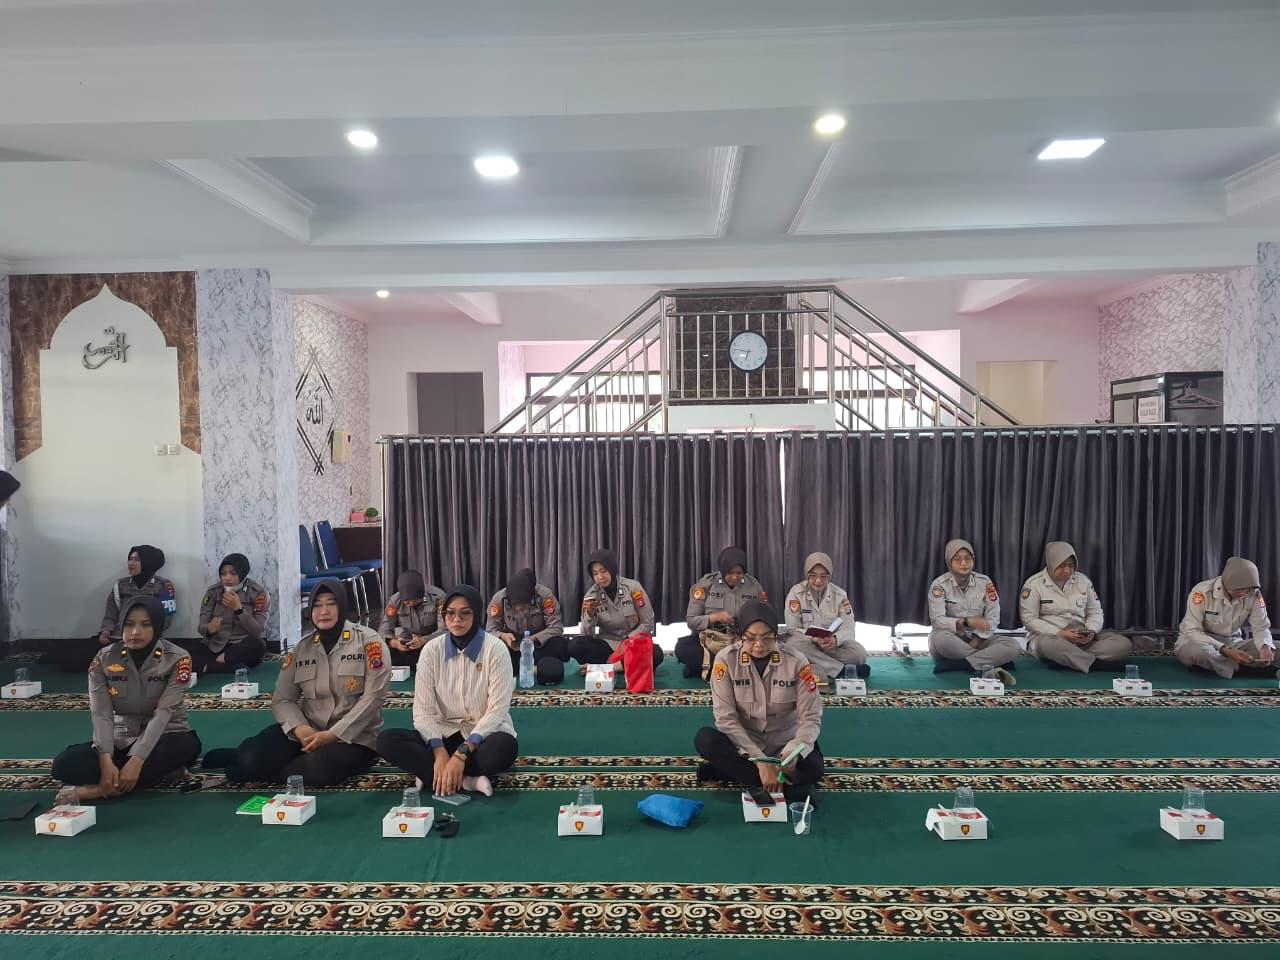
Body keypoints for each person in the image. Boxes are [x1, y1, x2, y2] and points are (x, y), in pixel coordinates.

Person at [200, 580, 390, 786]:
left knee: (315, 771)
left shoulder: (369, 643)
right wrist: (300, 728)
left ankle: (259, 768)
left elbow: (373, 698)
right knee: (252, 758)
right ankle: (248, 758)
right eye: (317, 605)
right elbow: (283, 699)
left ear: (343, 606)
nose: (323, 611)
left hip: (354, 737)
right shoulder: (303, 648)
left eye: (331, 603)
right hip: (307, 731)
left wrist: (332, 734)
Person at [51, 595, 200, 803]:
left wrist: (138, 759)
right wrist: (105, 758)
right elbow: (101, 713)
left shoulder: (177, 658)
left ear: (157, 627)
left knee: (184, 747)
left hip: (166, 735)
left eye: (145, 625)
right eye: (129, 624)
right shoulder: (104, 658)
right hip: (122, 737)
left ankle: (98, 791)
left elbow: (163, 712)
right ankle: (158, 774)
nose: (135, 632)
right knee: (65, 764)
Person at [378, 585, 518, 798]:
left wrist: (461, 754)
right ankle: (467, 780)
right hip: (442, 733)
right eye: (450, 613)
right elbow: (423, 711)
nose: (456, 620)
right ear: (443, 615)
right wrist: (439, 752)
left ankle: (431, 774)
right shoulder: (431, 650)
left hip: (481, 736)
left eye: (465, 613)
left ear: (476, 614)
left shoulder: (495, 650)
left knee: (505, 747)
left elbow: (497, 711)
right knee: (387, 741)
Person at [693, 600, 824, 806]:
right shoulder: (725, 661)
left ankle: (742, 775)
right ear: (740, 635)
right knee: (705, 740)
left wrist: (794, 752)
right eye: (751, 638)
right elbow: (726, 720)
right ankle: (784, 786)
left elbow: (811, 717)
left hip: (785, 744)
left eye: (767, 637)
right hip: (745, 745)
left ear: (776, 635)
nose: (759, 645)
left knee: (815, 767)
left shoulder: (797, 661)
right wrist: (759, 760)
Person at [48, 544, 177, 672]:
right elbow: (111, 614)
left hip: (147, 641)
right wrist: (105, 632)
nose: (130, 563)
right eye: (130, 559)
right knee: (69, 655)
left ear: (149, 562)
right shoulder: (120, 585)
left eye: (136, 560)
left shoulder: (164, 586)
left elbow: (165, 621)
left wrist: (139, 635)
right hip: (117, 639)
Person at [1019, 541, 1131, 672]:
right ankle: (1094, 664)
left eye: (1071, 566)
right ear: (1051, 563)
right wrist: (1060, 633)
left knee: (1123, 644)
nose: (1067, 570)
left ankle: (1067, 660)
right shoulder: (1033, 584)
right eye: (1061, 566)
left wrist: (1091, 631)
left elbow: (1095, 612)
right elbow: (1029, 619)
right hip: (1052, 638)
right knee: (1047, 645)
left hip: (1082, 640)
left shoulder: (1083, 581)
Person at [928, 539, 1020, 680]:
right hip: (952, 639)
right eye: (957, 559)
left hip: (980, 638)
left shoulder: (985, 582)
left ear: (974, 560)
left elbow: (993, 616)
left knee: (1013, 645)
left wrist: (978, 639)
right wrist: (967, 622)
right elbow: (937, 621)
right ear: (949, 562)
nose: (964, 563)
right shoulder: (939, 585)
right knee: (938, 639)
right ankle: (989, 662)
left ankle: (962, 664)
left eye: (968, 558)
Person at [676, 546, 768, 679]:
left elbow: (764, 616)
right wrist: (714, 617)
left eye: (739, 573)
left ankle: (711, 667)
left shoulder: (753, 585)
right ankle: (729, 668)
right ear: (723, 569)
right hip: (711, 640)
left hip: (741, 640)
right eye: (730, 572)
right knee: (683, 648)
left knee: (769, 649)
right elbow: (692, 621)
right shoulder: (706, 584)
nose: (735, 577)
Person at [1175, 557, 1273, 678]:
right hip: (1200, 642)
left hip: (1234, 643)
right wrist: (1223, 649)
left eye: (1248, 590)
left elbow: (1261, 626)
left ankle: (1218, 666)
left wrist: (1265, 647)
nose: (1244, 594)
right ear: (1227, 583)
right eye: (1239, 589)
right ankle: (1241, 669)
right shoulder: (1202, 592)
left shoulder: (1254, 594)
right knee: (1197, 653)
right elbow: (1192, 631)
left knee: (1274, 648)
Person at [570, 548, 663, 675]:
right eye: (595, 573)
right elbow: (586, 636)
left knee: (656, 653)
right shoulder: (591, 596)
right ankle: (626, 665)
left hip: (633, 642)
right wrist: (589, 617)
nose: (600, 577)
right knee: (575, 645)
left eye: (603, 571)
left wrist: (628, 640)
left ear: (612, 569)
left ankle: (611, 667)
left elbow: (647, 622)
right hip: (608, 644)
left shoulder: (633, 587)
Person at [782, 551, 867, 680]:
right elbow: (792, 629)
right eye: (813, 576)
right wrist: (814, 638)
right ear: (806, 575)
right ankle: (840, 670)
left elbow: (849, 628)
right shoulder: (796, 593)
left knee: (859, 654)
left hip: (831, 647)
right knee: (792, 646)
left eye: (823, 576)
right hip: (807, 643)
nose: (818, 581)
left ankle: (816, 664)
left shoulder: (840, 595)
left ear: (830, 576)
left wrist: (835, 639)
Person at [189, 553, 268, 674]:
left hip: (240, 646)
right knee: (184, 653)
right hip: (215, 646)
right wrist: (209, 629)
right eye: (223, 574)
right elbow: (201, 627)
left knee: (259, 645)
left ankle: (211, 665)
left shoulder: (257, 593)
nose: (227, 578)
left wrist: (239, 610)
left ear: (242, 573)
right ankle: (227, 667)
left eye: (233, 573)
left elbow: (257, 630)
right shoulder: (213, 592)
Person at [485, 568, 568, 677]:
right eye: (515, 606)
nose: (519, 609)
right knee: (495, 650)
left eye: (523, 606)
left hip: (539, 642)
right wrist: (503, 636)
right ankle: (534, 668)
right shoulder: (499, 599)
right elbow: (490, 630)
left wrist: (532, 639)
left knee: (559, 645)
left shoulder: (544, 596)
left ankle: (529, 667)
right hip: (514, 643)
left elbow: (556, 627)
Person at [379, 570, 446, 668]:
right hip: (407, 644)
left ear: (421, 596)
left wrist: (424, 640)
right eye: (405, 601)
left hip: (432, 641)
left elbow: (445, 629)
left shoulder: (438, 597)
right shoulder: (395, 600)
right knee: (380, 651)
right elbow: (385, 628)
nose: (407, 604)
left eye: (411, 600)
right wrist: (395, 643)